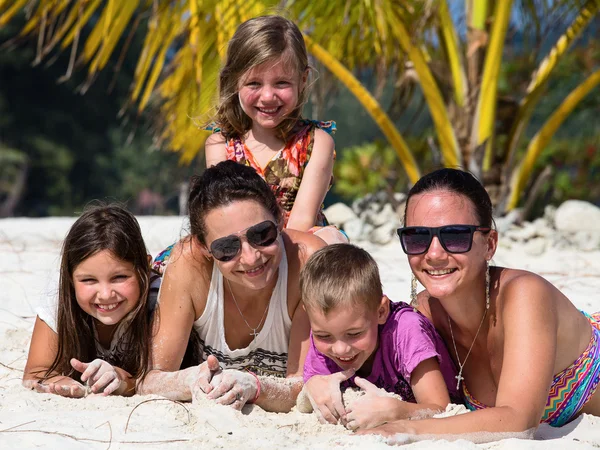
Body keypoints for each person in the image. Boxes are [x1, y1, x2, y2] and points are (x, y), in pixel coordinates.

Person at [364, 168, 600, 437]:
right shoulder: (422, 318)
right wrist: (321, 384)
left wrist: (403, 428)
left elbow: (518, 420)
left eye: (454, 236)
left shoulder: (524, 296)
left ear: (489, 244)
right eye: (417, 237)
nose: (434, 254)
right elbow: (353, 350)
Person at [138, 161, 326, 412]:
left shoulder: (307, 262)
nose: (250, 257)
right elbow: (152, 377)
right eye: (227, 248)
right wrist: (191, 379)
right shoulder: (189, 264)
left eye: (261, 234)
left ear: (280, 219)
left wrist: (254, 386)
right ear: (204, 247)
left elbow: (305, 386)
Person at [203, 15, 345, 244]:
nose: (268, 97)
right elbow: (222, 215)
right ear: (233, 82)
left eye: (281, 83)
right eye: (254, 84)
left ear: (303, 80)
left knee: (331, 240)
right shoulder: (220, 145)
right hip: (240, 247)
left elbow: (302, 222)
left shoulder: (316, 142)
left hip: (295, 243)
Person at [299, 243, 461, 430]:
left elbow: (441, 409)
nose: (340, 349)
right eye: (324, 336)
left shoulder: (406, 331)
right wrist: (312, 384)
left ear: (381, 311)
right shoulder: (323, 336)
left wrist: (396, 411)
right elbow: (310, 387)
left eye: (354, 334)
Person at [23, 204, 159, 397]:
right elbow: (35, 372)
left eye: (119, 277)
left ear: (145, 269)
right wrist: (60, 381)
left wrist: (120, 380)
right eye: (88, 280)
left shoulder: (159, 299)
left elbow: (158, 377)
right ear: (70, 278)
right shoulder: (59, 296)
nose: (105, 294)